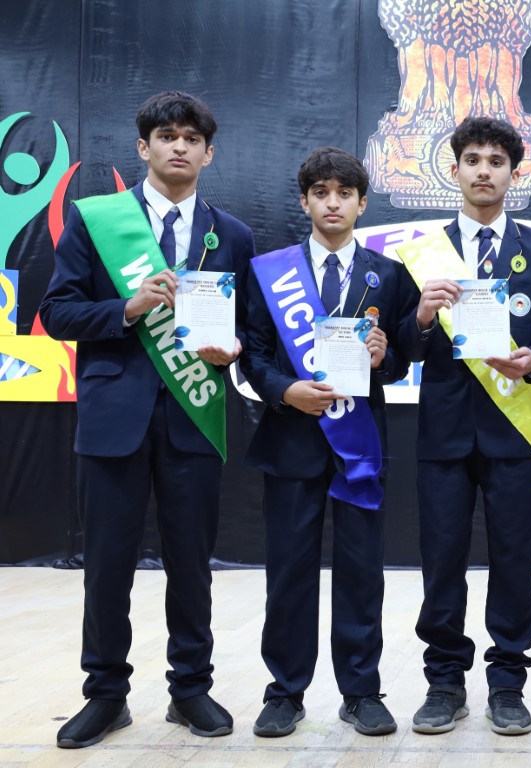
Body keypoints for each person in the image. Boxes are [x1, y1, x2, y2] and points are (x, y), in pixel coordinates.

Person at [39, 91, 254, 748]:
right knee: (107, 563)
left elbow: (250, 329)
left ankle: (190, 689)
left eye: (192, 138)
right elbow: (56, 313)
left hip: (195, 413)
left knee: (192, 563)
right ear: (144, 147)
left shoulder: (233, 234)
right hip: (115, 418)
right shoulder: (97, 220)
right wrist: (127, 309)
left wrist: (234, 347)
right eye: (166, 136)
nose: (179, 147)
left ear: (209, 153)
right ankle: (106, 694)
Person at [394, 117, 531, 735]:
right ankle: (444, 682)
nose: (483, 171)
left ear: (514, 174)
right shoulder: (422, 254)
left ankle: (508, 684)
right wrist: (421, 317)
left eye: (497, 161)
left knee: (515, 561)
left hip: (513, 430)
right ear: (454, 169)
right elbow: (403, 349)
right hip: (443, 432)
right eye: (472, 160)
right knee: (442, 561)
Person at [240, 147, 411, 738]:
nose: (332, 203)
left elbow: (403, 358)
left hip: (359, 444)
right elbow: (254, 354)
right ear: (305, 201)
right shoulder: (271, 272)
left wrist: (386, 357)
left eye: (344, 194)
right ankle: (285, 692)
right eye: (321, 193)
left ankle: (361, 691)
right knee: (289, 572)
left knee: (362, 572)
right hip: (292, 443)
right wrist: (285, 390)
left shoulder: (389, 274)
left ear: (362, 203)